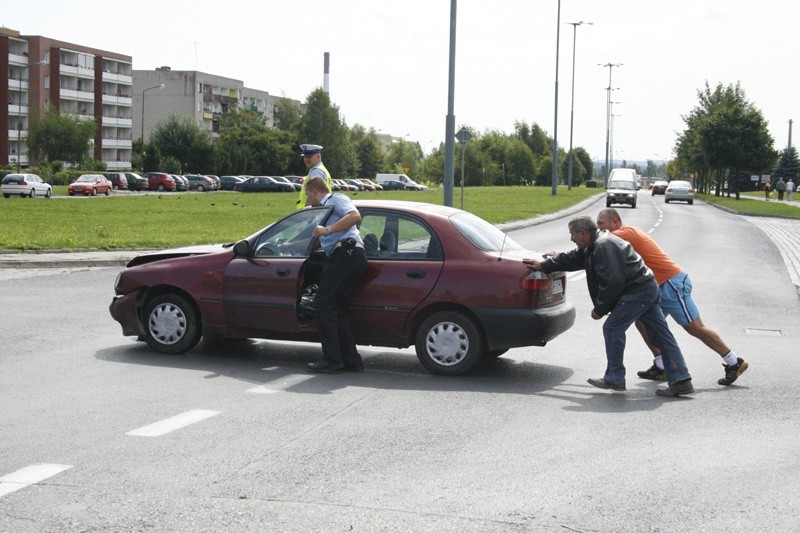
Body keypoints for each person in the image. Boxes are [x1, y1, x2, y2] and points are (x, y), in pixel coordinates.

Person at [523, 216, 694, 397]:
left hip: (638, 292)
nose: (571, 238)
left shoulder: (603, 246)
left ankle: (615, 377)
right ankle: (681, 379)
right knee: (660, 334)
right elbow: (574, 258)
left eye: (573, 234)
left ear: (583, 232)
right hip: (646, 288)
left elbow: (612, 283)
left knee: (612, 328)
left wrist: (600, 309)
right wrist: (545, 265)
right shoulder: (595, 243)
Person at [596, 208, 749, 386]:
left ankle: (734, 362)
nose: (599, 228)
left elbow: (598, 245)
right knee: (643, 322)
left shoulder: (623, 233)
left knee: (694, 327)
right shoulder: (623, 233)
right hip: (658, 288)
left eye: (601, 223)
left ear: (615, 222)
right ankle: (662, 365)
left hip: (671, 284)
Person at [303, 176, 368, 373]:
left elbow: (354, 216)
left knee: (322, 303)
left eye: (307, 195)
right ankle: (351, 360)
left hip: (346, 254)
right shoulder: (323, 211)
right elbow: (317, 239)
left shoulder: (335, 199)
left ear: (314, 191)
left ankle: (332, 359)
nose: (307, 200)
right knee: (336, 309)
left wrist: (328, 229)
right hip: (345, 256)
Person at [297, 144, 333, 210]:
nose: (307, 159)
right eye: (305, 157)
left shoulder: (316, 171)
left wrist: (306, 213)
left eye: (309, 157)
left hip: (313, 212)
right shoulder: (321, 169)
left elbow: (312, 195)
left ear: (318, 157)